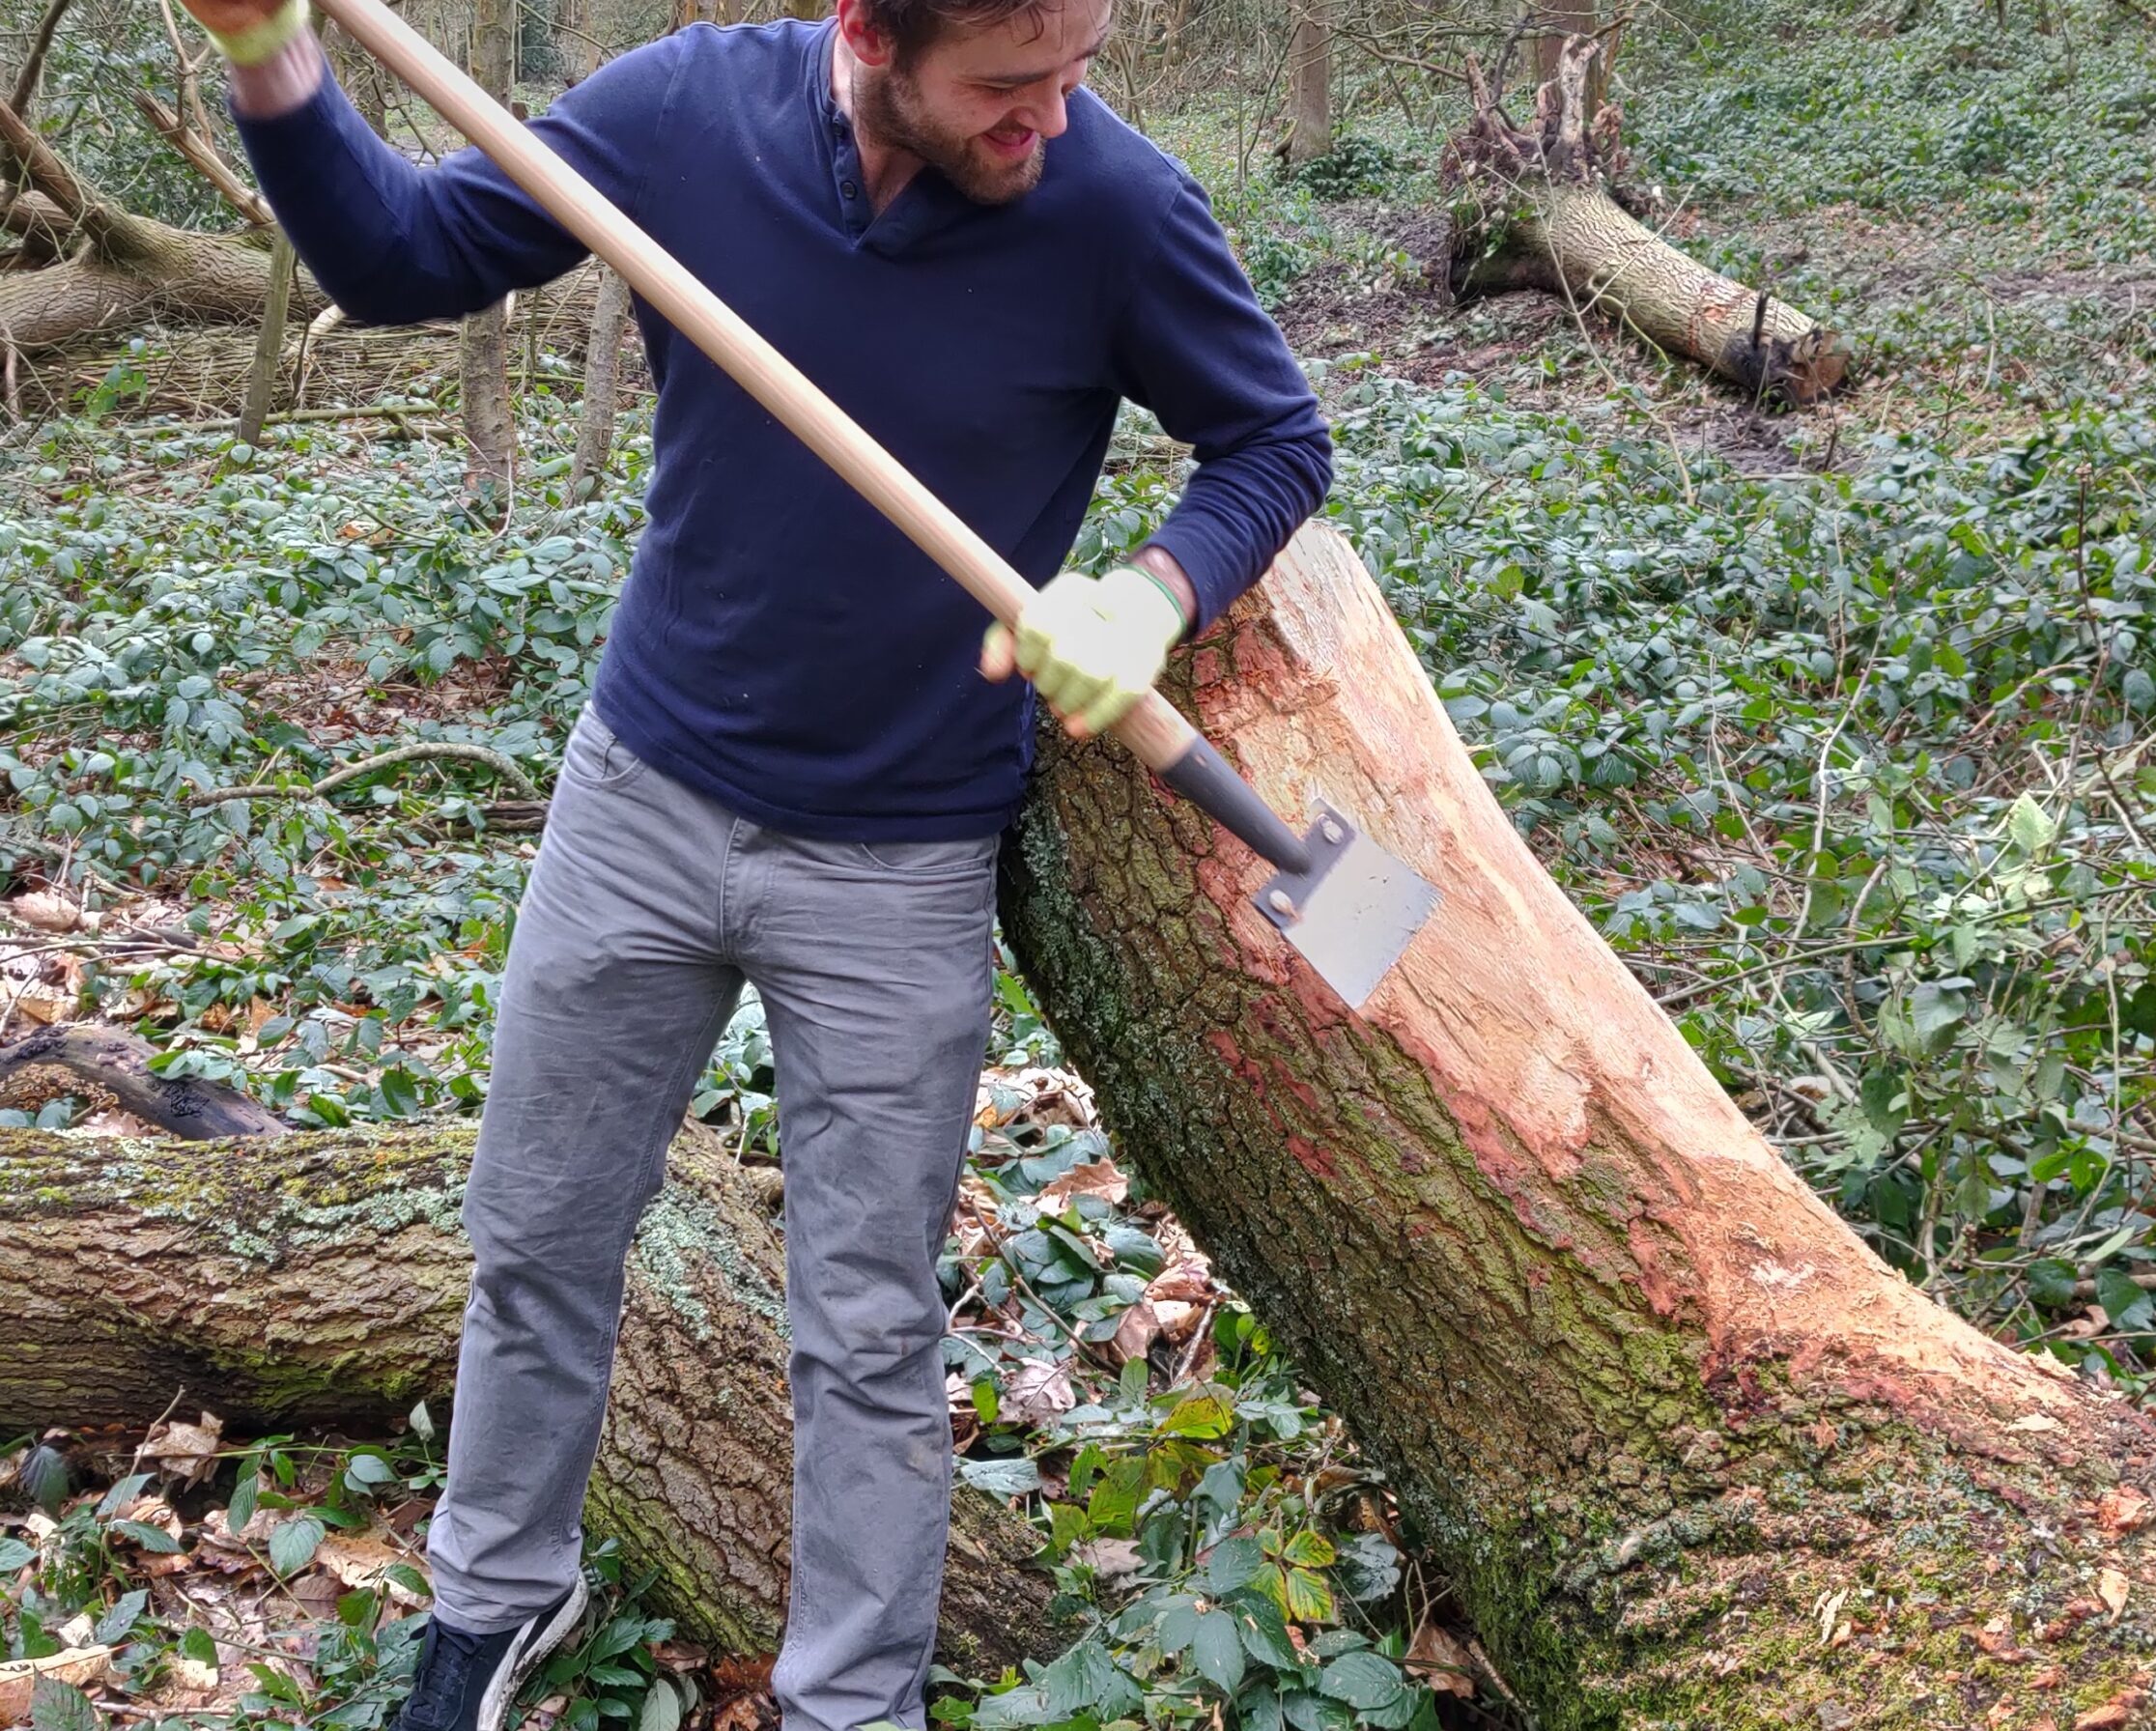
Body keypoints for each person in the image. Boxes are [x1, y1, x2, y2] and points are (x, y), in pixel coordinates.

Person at [174, 1, 1333, 1727]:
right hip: (641, 797)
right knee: (537, 1236)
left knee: (866, 1327)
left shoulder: (1113, 206)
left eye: (1078, 72)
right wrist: (271, 51)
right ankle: (493, 1608)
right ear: (871, 34)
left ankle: (850, 1702)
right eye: (1012, 87)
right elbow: (408, 256)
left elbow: (1275, 441)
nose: (1058, 120)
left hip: (900, 860)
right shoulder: (683, 115)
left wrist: (1149, 595)